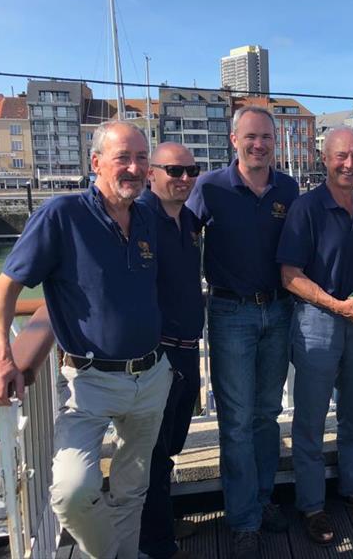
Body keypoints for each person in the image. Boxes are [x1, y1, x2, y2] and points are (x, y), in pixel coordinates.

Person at [0, 121, 172, 559]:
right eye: (122, 158)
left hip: (151, 375)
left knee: (133, 486)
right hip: (89, 381)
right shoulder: (62, 215)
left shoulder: (147, 214)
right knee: (71, 492)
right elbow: (3, 289)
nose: (134, 167)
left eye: (141, 158)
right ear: (95, 163)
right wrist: (1, 356)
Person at [186, 106, 298, 558]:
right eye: (250, 137)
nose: (259, 145)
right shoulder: (209, 187)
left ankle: (264, 498)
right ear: (234, 140)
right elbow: (179, 237)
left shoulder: (288, 188)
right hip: (230, 311)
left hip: (279, 309)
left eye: (266, 137)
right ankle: (244, 519)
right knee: (235, 421)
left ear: (275, 141)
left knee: (267, 414)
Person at [278, 126, 353, 546]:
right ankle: (311, 505)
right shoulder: (305, 208)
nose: (350, 164)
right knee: (309, 420)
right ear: (324, 159)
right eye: (341, 156)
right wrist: (336, 305)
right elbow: (290, 275)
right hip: (316, 323)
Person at [137, 143, 204, 559]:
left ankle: (161, 522)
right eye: (173, 171)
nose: (182, 178)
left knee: (172, 444)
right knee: (153, 452)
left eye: (190, 171)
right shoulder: (138, 217)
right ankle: (156, 544)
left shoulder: (191, 220)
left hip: (188, 350)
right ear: (151, 173)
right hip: (156, 353)